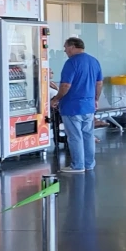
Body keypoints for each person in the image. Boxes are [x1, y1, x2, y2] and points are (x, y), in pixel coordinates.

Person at [50, 37, 102, 173]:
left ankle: (78, 165)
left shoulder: (71, 63)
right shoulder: (94, 61)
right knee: (88, 136)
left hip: (72, 106)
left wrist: (56, 98)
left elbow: (66, 85)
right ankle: (89, 164)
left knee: (75, 137)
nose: (65, 50)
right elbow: (99, 83)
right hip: (88, 106)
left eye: (65, 47)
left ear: (72, 47)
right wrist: (96, 98)